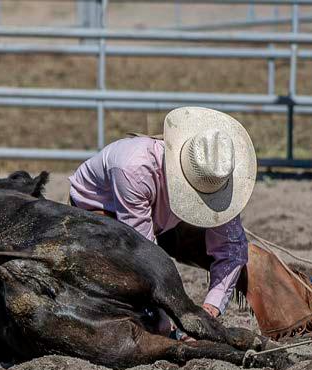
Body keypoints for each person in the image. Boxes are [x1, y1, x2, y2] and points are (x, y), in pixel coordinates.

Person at [68, 107, 256, 322]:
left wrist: (211, 308)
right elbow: (142, 250)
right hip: (100, 211)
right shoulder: (134, 168)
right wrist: (172, 316)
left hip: (158, 217)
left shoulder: (216, 174)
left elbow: (232, 249)